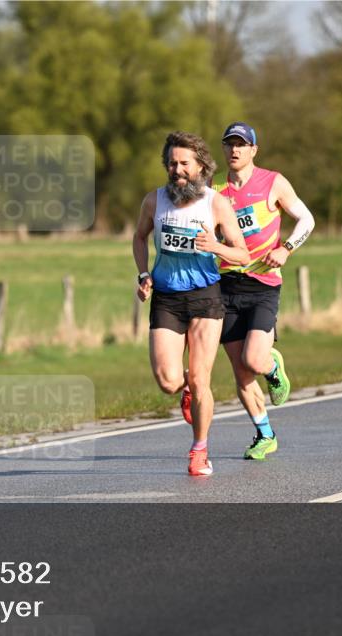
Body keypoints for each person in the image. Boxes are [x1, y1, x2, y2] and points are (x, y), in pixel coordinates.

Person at [133, 131, 250, 476]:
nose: (177, 169)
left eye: (184, 163)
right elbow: (139, 237)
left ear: (201, 166)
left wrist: (214, 247)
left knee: (202, 379)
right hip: (167, 298)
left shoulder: (216, 203)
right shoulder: (154, 202)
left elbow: (241, 253)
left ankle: (199, 450)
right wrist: (143, 275)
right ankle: (185, 387)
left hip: (205, 297)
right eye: (172, 163)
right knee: (169, 381)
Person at [200, 121, 316, 461]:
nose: (234, 150)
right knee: (240, 371)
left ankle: (273, 367)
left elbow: (306, 219)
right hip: (225, 286)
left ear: (253, 150)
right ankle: (265, 434)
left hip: (264, 283)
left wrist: (287, 248)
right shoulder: (213, 188)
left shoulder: (273, 182)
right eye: (229, 144)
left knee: (254, 360)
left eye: (241, 144)